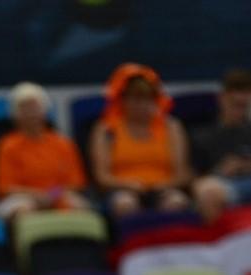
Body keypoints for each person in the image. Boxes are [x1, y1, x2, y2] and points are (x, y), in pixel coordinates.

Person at [89, 63, 191, 218]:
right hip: (123, 190)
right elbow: (102, 177)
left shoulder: (171, 126)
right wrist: (129, 185)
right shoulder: (106, 129)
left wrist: (163, 185)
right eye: (136, 99)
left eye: (148, 99)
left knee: (176, 202)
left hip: (163, 188)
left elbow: (182, 173)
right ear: (122, 100)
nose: (142, 105)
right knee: (125, 204)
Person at [0, 82, 90, 218]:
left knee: (80, 207)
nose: (31, 113)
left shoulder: (63, 143)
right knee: (22, 209)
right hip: (22, 197)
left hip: (58, 194)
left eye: (34, 107)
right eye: (24, 108)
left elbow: (75, 182)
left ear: (44, 110)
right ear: (15, 114)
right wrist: (36, 195)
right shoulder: (7, 146)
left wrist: (51, 195)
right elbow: (5, 187)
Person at [191, 69, 251, 223]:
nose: (239, 110)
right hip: (223, 184)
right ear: (222, 99)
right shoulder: (202, 135)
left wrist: (245, 166)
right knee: (207, 191)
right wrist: (221, 171)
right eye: (235, 104)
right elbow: (194, 178)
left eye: (243, 106)